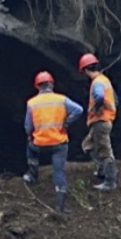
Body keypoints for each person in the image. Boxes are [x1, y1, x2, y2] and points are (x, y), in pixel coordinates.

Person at [23, 71, 83, 213]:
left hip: (40, 144)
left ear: (37, 87)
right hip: (59, 143)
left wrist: (30, 136)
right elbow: (79, 110)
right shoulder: (61, 99)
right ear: (51, 84)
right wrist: (66, 123)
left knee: (30, 150)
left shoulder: (32, 103)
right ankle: (60, 205)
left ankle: (32, 176)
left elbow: (27, 126)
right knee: (59, 171)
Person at [78, 53, 118, 191]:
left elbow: (99, 96)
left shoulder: (97, 82)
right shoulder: (105, 80)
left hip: (101, 121)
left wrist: (96, 109)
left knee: (104, 151)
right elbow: (115, 100)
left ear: (86, 70)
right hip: (103, 121)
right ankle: (101, 171)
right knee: (87, 145)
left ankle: (110, 182)